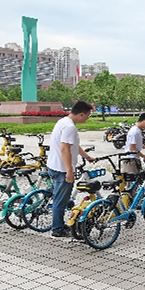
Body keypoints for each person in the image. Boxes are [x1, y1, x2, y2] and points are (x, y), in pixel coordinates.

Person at [47, 101, 95, 238]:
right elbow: (65, 149)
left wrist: (87, 157)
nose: (88, 118)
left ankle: (59, 224)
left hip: (54, 165)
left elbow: (74, 145)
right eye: (88, 115)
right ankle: (57, 229)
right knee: (60, 200)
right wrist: (69, 170)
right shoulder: (70, 127)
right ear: (81, 114)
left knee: (60, 197)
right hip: (61, 169)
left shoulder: (63, 121)